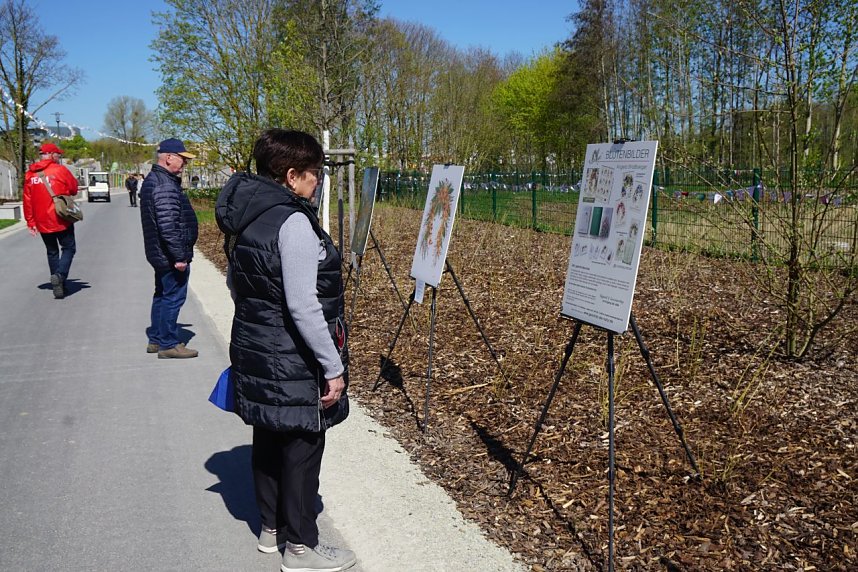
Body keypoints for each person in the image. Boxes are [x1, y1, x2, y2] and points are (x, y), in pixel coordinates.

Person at [215, 129, 354, 572]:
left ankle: (270, 529)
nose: (318, 181)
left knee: (269, 437)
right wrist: (332, 366)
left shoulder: (248, 215)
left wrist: (263, 324)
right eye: (314, 173)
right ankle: (300, 548)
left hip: (258, 347)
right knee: (302, 446)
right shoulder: (292, 222)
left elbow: (237, 283)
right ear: (291, 176)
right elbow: (302, 305)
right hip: (294, 358)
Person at [139, 138, 199, 359]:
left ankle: (156, 338)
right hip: (169, 255)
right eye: (182, 159)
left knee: (162, 295)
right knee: (173, 298)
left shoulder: (156, 180)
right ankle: (168, 344)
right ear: (168, 157)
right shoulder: (164, 185)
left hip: (160, 253)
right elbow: (168, 225)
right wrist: (179, 256)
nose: (185, 163)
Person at [23, 142, 81, 299]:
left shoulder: (30, 174)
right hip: (61, 217)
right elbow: (73, 188)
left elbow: (27, 200)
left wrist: (30, 222)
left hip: (41, 220)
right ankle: (60, 276)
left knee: (52, 251)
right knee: (69, 248)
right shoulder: (60, 170)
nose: (59, 157)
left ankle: (59, 286)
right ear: (51, 154)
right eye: (57, 154)